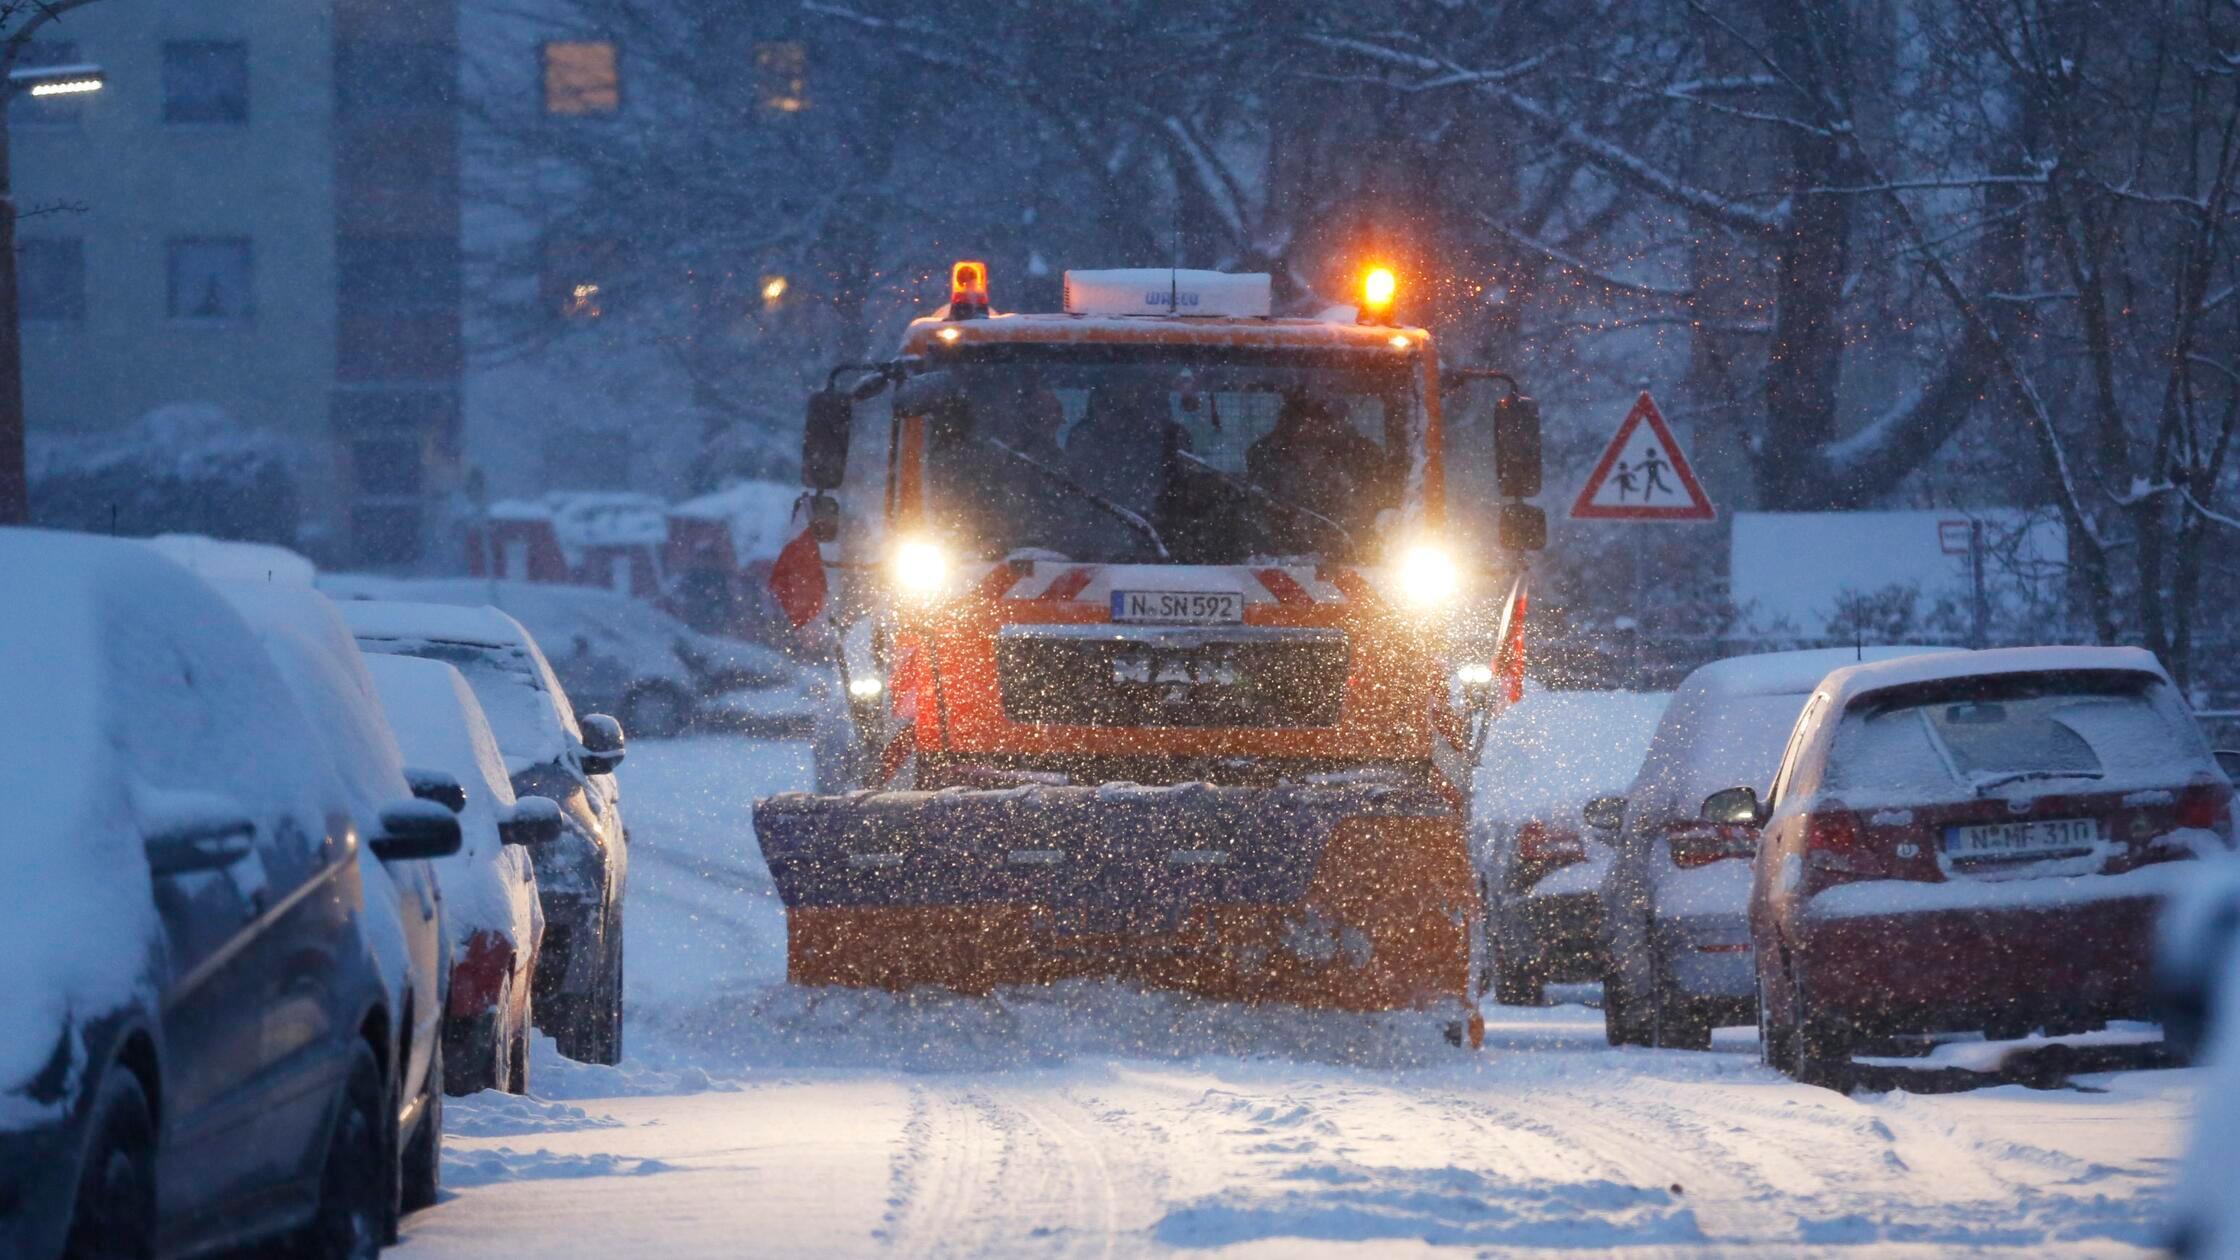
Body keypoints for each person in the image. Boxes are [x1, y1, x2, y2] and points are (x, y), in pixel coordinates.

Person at [1244, 392, 1393, 540]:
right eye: (1299, 423)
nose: (1307, 430)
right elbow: (1259, 512)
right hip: (1274, 549)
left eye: (1315, 424)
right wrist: (1286, 523)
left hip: (1344, 548)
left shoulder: (1354, 460)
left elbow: (1362, 514)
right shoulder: (1268, 463)